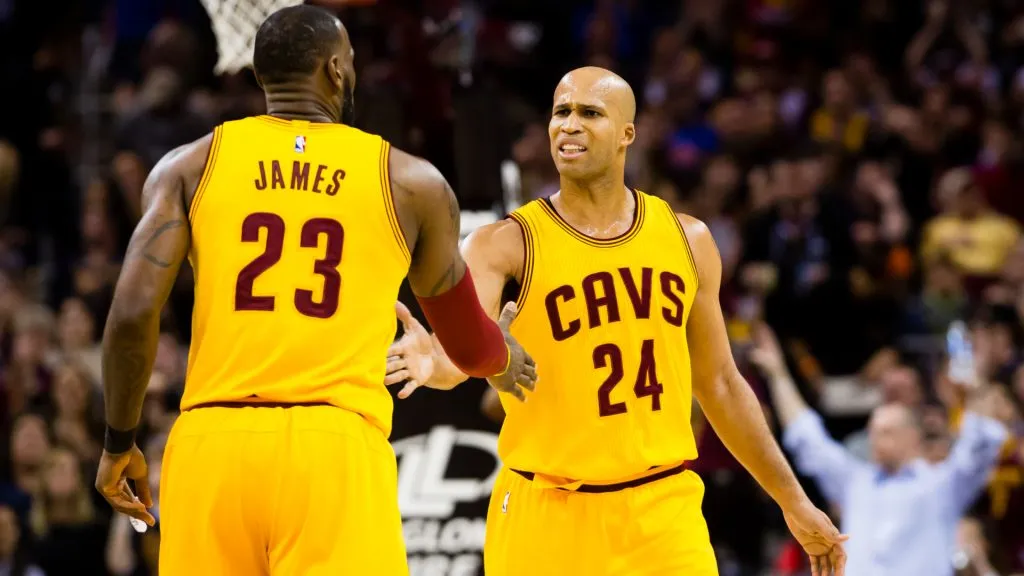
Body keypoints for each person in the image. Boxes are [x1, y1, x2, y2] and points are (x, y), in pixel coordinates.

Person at [93, 5, 536, 576]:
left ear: (258, 75)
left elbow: (130, 316)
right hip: (335, 449)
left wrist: (118, 441)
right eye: (349, 62)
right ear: (335, 70)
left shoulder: (189, 166)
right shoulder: (409, 181)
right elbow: (468, 344)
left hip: (214, 446)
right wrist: (501, 352)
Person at [386, 66, 847, 575]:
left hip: (661, 510)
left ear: (627, 133)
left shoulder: (688, 240)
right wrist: (432, 361)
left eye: (589, 113)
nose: (569, 125)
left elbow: (719, 383)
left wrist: (793, 500)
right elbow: (461, 355)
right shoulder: (503, 244)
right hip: (546, 512)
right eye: (561, 112)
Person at [749, 323, 1007, 576]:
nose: (875, 440)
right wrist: (778, 373)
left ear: (912, 436)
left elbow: (979, 444)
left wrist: (979, 385)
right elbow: (807, 436)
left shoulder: (941, 485)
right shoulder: (856, 481)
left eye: (886, 432)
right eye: (872, 432)